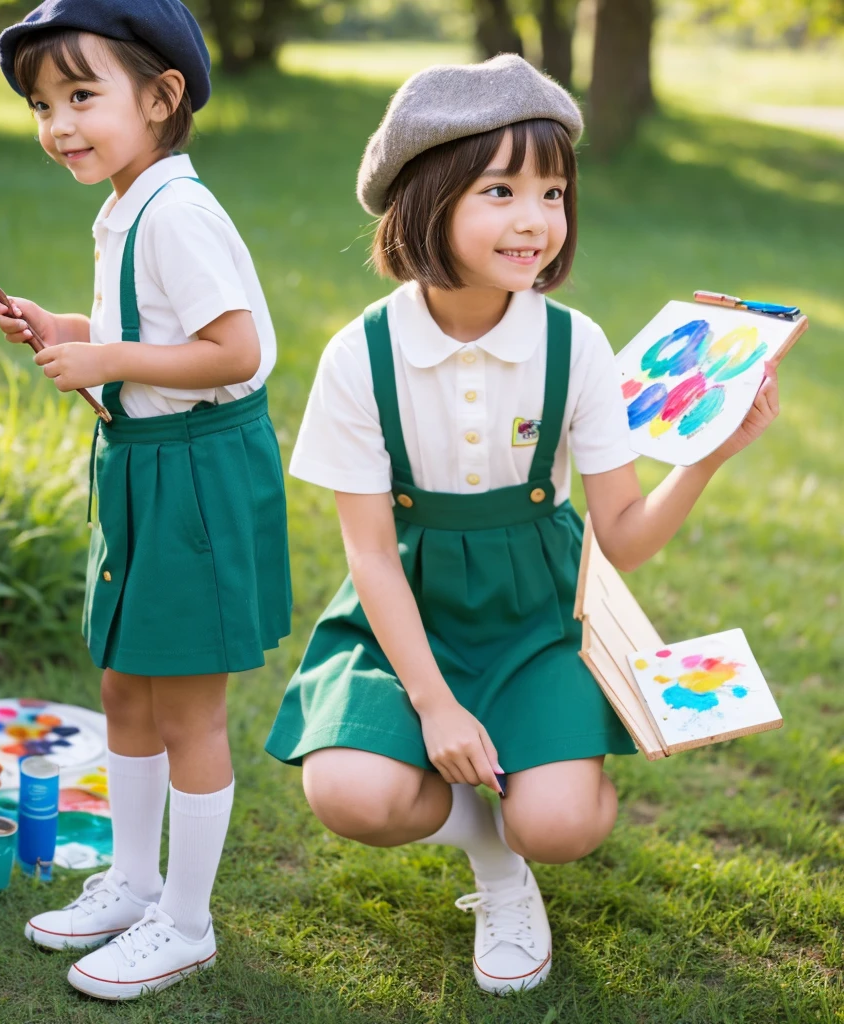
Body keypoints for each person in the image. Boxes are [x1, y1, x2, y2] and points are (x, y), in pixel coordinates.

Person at [265, 54, 780, 995]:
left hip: (540, 605)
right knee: (350, 793)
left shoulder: (572, 342)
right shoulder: (360, 354)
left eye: (551, 190)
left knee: (562, 825)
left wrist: (705, 456)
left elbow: (617, 538)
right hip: (410, 606)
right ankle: (496, 867)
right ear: (425, 199)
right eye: (499, 190)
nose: (536, 219)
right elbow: (371, 556)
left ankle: (531, 818)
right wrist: (433, 702)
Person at [0, 0, 292, 1000]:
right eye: (43, 103)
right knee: (123, 684)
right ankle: (133, 878)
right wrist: (67, 325)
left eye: (82, 95)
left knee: (188, 708)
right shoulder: (127, 202)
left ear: (163, 98)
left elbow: (234, 350)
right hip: (142, 465)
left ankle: (186, 923)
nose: (58, 123)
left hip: (196, 474)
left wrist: (109, 354)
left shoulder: (177, 211)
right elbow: (145, 329)